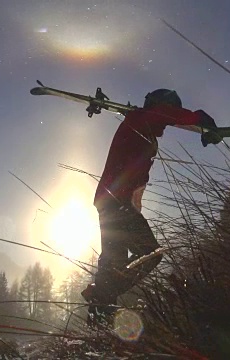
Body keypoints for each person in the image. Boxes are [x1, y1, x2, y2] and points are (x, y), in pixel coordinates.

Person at [81, 88, 221, 326]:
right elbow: (164, 114)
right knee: (150, 254)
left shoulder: (143, 131)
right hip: (115, 202)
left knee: (113, 261)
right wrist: (199, 119)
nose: (166, 127)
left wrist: (135, 208)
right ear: (159, 106)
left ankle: (100, 315)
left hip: (111, 202)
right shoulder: (140, 119)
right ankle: (102, 295)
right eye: (168, 114)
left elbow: (138, 180)